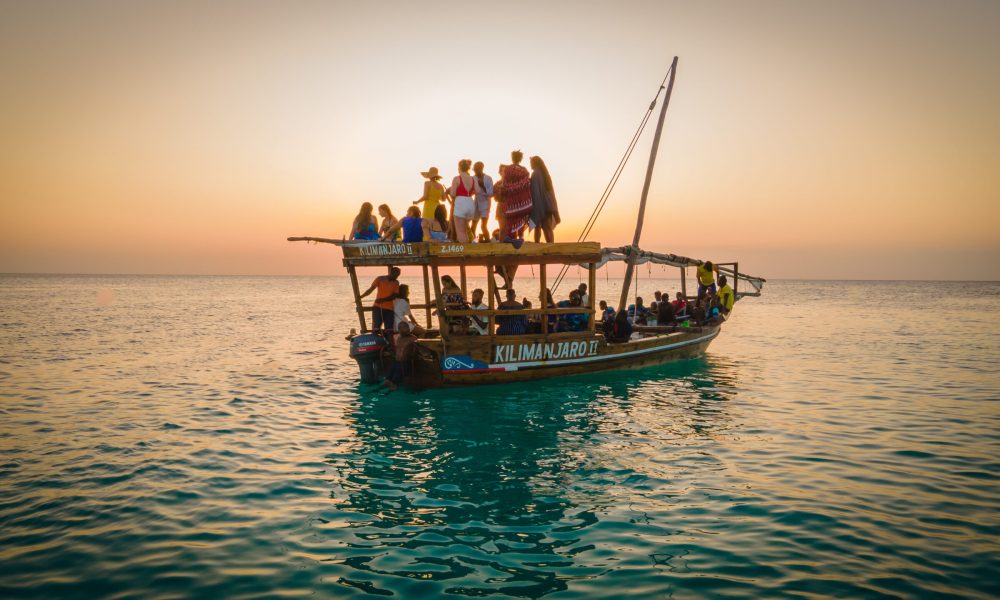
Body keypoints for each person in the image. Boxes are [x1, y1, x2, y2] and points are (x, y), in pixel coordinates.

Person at [500, 151, 532, 240]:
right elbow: (527, 183)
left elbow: (504, 184)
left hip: (511, 201)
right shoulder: (524, 170)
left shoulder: (507, 169)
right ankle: (521, 238)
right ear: (521, 159)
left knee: (511, 220)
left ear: (512, 158)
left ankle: (512, 238)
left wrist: (504, 194)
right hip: (523, 202)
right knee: (520, 219)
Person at [529, 155, 560, 243]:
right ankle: (551, 247)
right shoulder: (545, 174)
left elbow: (535, 192)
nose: (530, 165)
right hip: (549, 206)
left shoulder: (535, 174)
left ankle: (537, 247)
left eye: (531, 163)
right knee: (548, 229)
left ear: (535, 163)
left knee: (537, 228)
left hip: (539, 206)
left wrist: (535, 209)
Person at [359, 267, 400, 332]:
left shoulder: (396, 282)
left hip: (389, 308)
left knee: (389, 329)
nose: (396, 276)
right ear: (390, 272)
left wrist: (382, 300)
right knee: (376, 327)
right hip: (378, 307)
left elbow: (394, 296)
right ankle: (376, 338)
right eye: (395, 274)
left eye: (398, 275)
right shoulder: (380, 279)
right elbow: (370, 290)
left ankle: (388, 340)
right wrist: (360, 297)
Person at [449, 160, 479, 243]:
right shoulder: (473, 178)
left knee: (460, 231)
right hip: (470, 202)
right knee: (465, 230)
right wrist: (470, 192)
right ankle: (468, 251)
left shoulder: (457, 178)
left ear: (459, 167)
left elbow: (453, 194)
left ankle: (465, 253)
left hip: (460, 203)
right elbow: (478, 191)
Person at [382, 321, 416, 391]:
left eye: (404, 328)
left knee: (398, 370)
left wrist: (409, 356)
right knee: (392, 369)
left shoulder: (413, 339)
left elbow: (416, 353)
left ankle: (394, 384)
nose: (401, 329)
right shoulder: (399, 338)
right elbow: (396, 351)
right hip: (397, 361)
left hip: (407, 362)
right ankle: (388, 382)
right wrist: (389, 353)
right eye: (400, 328)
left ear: (408, 329)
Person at [413, 167, 448, 235]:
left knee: (426, 224)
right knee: (436, 224)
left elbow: (425, 196)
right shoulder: (440, 186)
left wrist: (417, 201)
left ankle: (428, 240)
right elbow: (444, 199)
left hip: (428, 206)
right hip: (438, 207)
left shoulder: (427, 183)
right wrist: (436, 196)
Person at [471, 161, 495, 241]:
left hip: (485, 204)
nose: (475, 171)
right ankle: (472, 243)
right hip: (476, 203)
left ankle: (488, 243)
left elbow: (491, 194)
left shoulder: (488, 178)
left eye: (477, 169)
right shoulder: (473, 178)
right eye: (474, 170)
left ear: (481, 169)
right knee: (473, 225)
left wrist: (483, 186)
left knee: (483, 226)